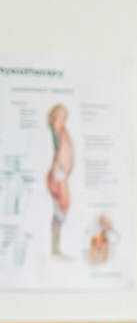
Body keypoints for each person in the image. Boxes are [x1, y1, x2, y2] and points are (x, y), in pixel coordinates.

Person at [46, 104, 74, 258]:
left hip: (60, 173)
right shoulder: (56, 126)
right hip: (59, 173)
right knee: (61, 207)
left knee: (62, 208)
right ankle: (55, 249)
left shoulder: (61, 128)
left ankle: (55, 248)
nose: (64, 114)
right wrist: (58, 172)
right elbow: (59, 150)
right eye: (60, 113)